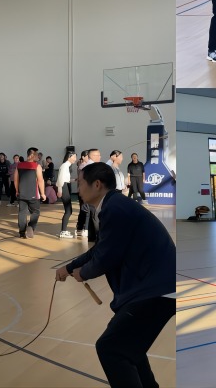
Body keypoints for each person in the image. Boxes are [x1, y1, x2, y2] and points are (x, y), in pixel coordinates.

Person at [55, 160, 176, 388]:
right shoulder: (114, 205)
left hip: (155, 289)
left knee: (111, 348)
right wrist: (69, 268)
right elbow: (100, 249)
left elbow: (106, 257)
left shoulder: (115, 208)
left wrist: (84, 273)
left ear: (97, 184)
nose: (77, 189)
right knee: (128, 347)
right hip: (155, 286)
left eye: (80, 183)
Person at [14, 149, 45, 239]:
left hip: (22, 194)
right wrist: (43, 193)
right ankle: (31, 226)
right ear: (31, 155)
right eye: (36, 154)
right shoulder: (37, 166)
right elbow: (40, 180)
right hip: (33, 195)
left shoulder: (19, 165)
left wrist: (17, 191)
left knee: (22, 213)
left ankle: (21, 233)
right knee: (35, 212)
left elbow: (15, 180)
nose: (37, 156)